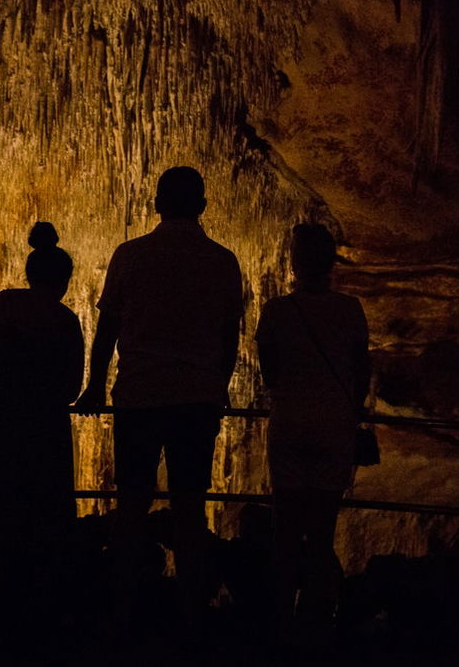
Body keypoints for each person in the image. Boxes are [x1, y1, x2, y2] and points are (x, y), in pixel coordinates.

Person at [75, 166, 243, 625]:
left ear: (156, 204)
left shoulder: (131, 255)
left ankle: (123, 608)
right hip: (196, 399)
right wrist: (220, 384)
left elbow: (107, 328)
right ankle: (192, 610)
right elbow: (231, 336)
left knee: (132, 504)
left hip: (140, 396)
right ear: (203, 206)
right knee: (190, 507)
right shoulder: (222, 261)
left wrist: (93, 385)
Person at [0, 221, 85, 636]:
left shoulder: (2, 304)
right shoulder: (65, 320)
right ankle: (36, 614)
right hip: (43, 430)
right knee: (39, 516)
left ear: (29, 275)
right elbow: (72, 385)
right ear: (63, 282)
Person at [255, 222, 370, 633]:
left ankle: (279, 614)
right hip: (334, 424)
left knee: (285, 526)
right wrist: (351, 408)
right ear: (331, 263)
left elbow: (269, 370)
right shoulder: (350, 310)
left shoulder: (276, 311)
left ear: (294, 262)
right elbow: (361, 368)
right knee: (322, 529)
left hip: (289, 422)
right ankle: (317, 617)